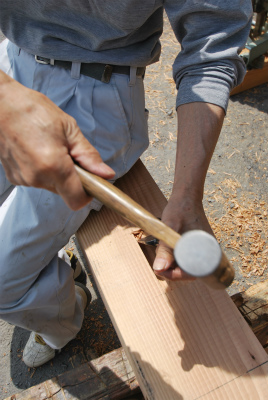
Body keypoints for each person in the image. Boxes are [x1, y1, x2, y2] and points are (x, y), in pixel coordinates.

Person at [0, 0, 252, 367]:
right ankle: (59, 270)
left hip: (93, 89)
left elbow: (212, 44)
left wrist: (186, 193)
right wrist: (8, 98)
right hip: (9, 65)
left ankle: (62, 320)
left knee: (2, 283)